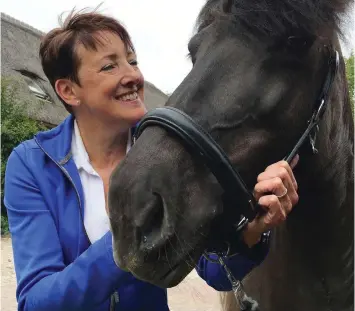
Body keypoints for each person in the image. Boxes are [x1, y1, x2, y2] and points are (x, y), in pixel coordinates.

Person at [4, 8, 299, 311]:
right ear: (68, 90)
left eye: (132, 61)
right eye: (110, 67)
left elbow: (214, 273)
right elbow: (38, 303)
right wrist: (132, 233)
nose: (133, 76)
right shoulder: (32, 165)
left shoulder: (171, 157)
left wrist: (251, 231)